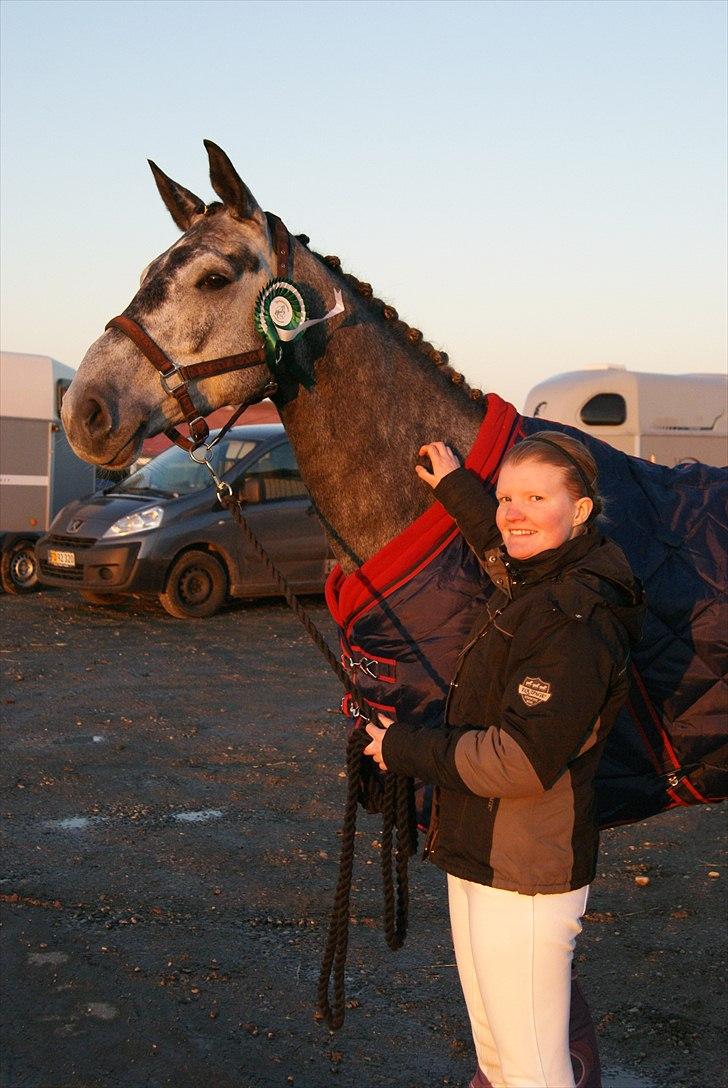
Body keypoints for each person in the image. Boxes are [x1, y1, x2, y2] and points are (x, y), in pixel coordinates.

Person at [363, 432, 645, 1088]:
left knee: (533, 1071)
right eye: (507, 497)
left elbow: (518, 761)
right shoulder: (537, 580)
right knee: (495, 1053)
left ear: (579, 511)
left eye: (536, 498)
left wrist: (401, 746)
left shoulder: (575, 621)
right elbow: (499, 547)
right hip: (480, 850)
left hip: (526, 871)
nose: (513, 511)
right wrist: (461, 489)